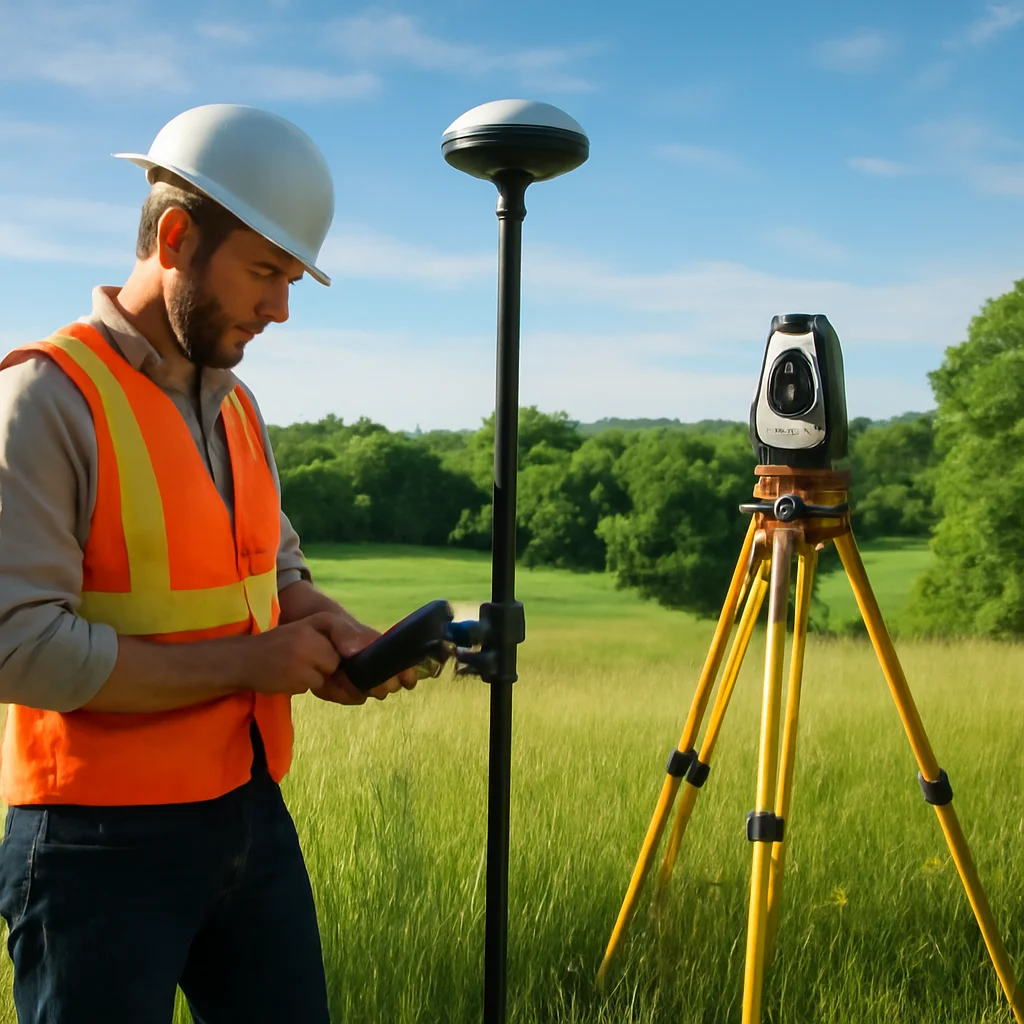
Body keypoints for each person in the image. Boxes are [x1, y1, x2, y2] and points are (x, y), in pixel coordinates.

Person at [0, 103, 416, 1023]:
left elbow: (276, 576)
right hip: (94, 846)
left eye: (292, 278)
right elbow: (17, 650)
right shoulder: (43, 399)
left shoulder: (237, 407)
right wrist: (251, 663)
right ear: (177, 238)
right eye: (265, 272)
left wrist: (336, 632)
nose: (280, 306)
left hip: (249, 816)